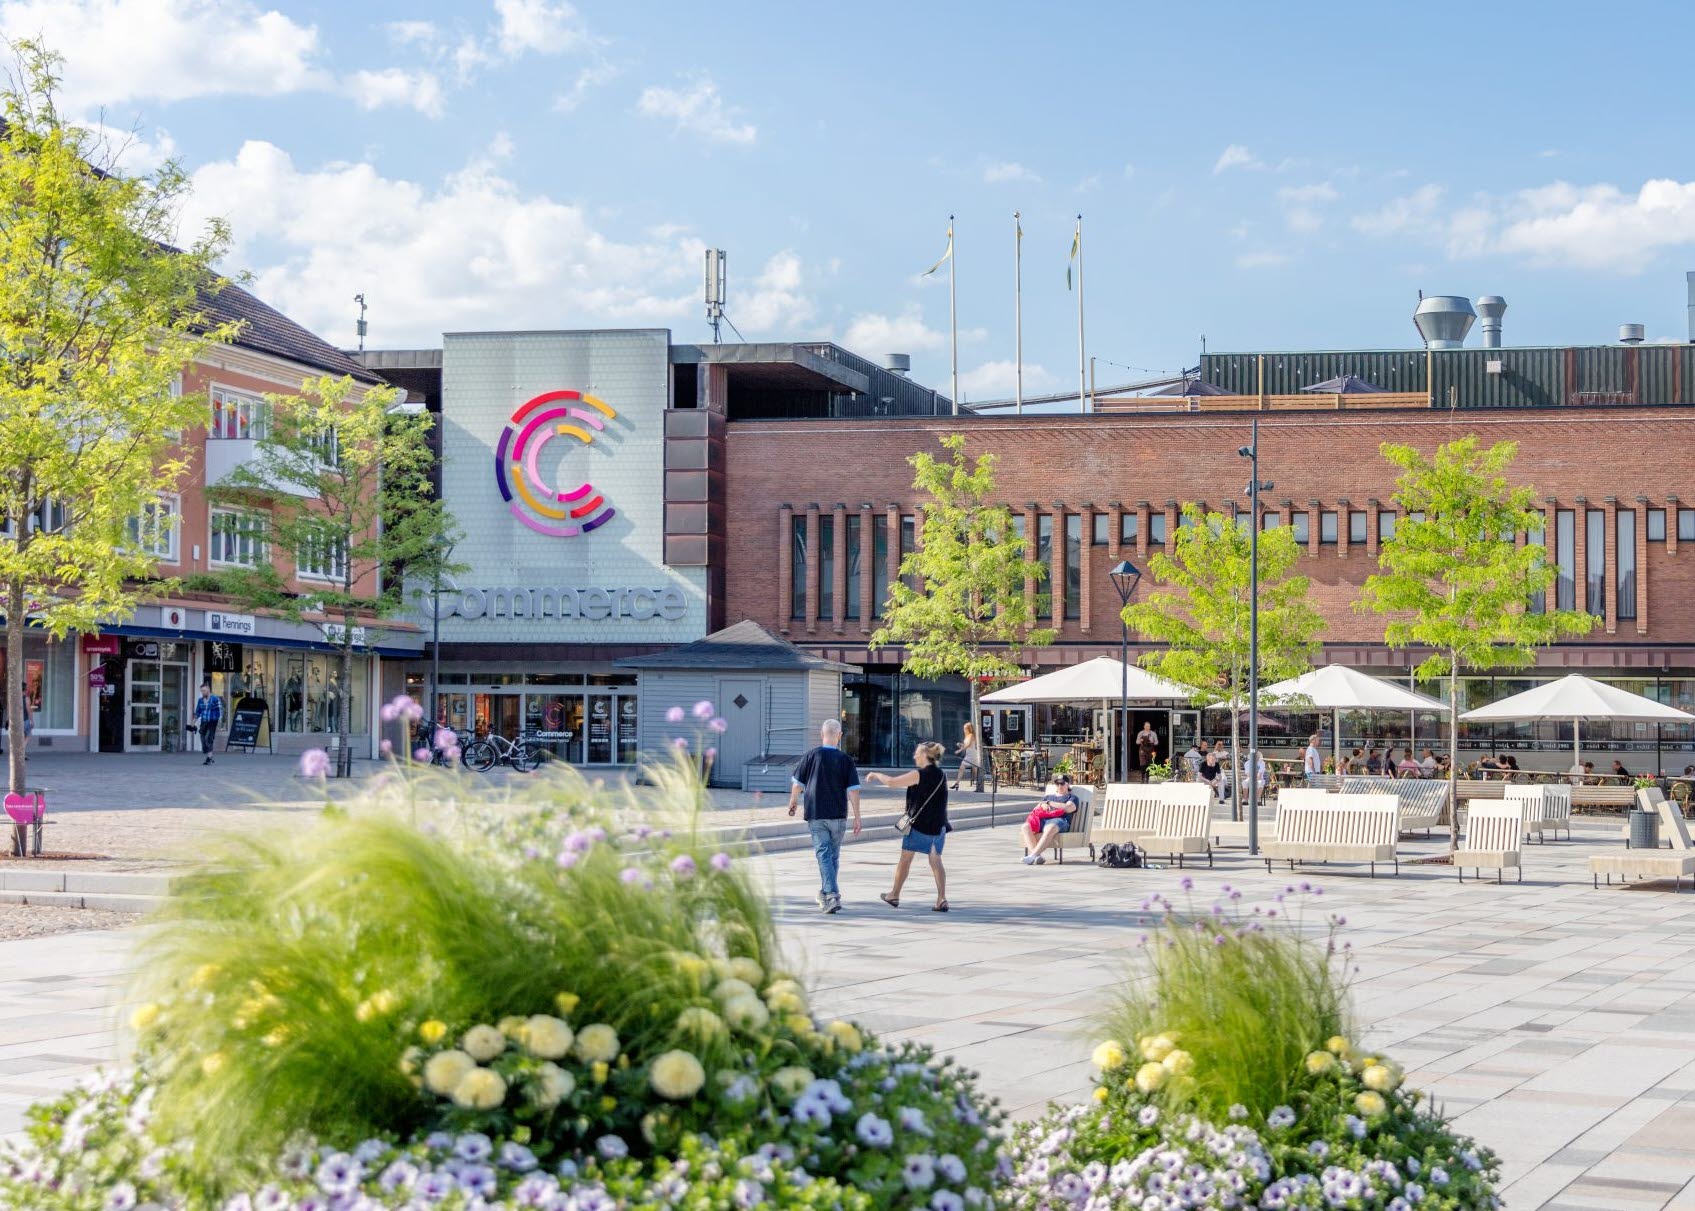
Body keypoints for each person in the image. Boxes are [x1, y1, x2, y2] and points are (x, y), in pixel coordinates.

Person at [786, 719, 863, 914]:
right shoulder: (846, 760)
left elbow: (797, 784)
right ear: (840, 736)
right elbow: (853, 791)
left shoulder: (811, 756)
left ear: (822, 735)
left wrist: (793, 801)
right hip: (838, 815)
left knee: (823, 854)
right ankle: (825, 893)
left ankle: (831, 894)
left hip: (816, 813)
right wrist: (857, 817)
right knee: (832, 856)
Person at [867, 742, 950, 912]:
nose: (914, 756)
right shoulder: (942, 775)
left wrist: (876, 774)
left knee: (905, 860)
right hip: (939, 825)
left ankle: (894, 895)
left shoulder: (919, 774)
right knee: (936, 861)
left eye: (916, 754)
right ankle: (941, 899)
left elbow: (891, 782)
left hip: (920, 825)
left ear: (925, 755)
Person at [1020, 775, 1080, 865]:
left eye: (1062, 783)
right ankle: (1037, 856)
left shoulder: (1071, 797)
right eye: (1057, 784)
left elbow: (1068, 808)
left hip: (1060, 821)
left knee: (1049, 827)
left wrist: (1049, 803)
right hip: (1043, 819)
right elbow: (1034, 810)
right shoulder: (1048, 796)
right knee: (1025, 826)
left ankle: (1032, 856)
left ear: (1068, 785)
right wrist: (1042, 805)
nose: (1060, 786)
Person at [193, 681, 223, 766]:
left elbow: (220, 710)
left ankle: (209, 758)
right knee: (202, 737)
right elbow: (198, 711)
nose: (203, 692)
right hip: (204, 721)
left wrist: (220, 721)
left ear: (208, 690)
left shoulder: (215, 699)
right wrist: (194, 719)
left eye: (204, 691)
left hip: (212, 721)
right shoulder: (200, 700)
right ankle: (209, 755)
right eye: (202, 691)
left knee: (208, 738)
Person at [951, 721, 980, 791]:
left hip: (972, 755)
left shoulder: (972, 735)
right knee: (963, 768)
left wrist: (959, 750)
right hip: (969, 754)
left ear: (968, 729)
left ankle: (978, 785)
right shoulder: (967, 736)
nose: (964, 730)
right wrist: (961, 745)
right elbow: (966, 745)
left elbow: (969, 745)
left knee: (974, 770)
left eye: (965, 728)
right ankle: (957, 783)